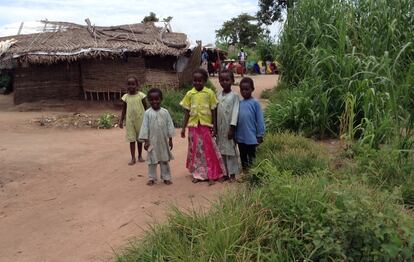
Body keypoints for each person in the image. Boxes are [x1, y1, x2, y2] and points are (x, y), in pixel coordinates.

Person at [180, 68, 225, 185]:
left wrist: (214, 126)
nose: (197, 83)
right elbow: (187, 111)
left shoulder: (209, 93)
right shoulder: (190, 94)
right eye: (195, 80)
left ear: (205, 81)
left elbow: (213, 110)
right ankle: (197, 174)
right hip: (193, 127)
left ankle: (211, 174)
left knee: (208, 150)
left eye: (200, 81)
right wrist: (183, 127)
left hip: (205, 127)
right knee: (195, 151)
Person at [139, 88, 175, 186]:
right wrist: (146, 141)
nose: (154, 101)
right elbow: (145, 127)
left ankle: (166, 177)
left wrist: (170, 140)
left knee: (164, 160)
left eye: (157, 99)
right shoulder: (147, 113)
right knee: (152, 161)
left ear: (161, 99)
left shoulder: (165, 112)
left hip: (163, 142)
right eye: (152, 100)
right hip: (152, 142)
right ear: (149, 101)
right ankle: (152, 178)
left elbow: (169, 126)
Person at [236, 77, 265, 171]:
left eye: (247, 89)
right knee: (242, 155)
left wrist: (260, 134)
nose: (244, 92)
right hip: (241, 136)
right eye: (242, 89)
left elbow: (260, 119)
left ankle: (253, 172)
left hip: (251, 136)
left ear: (252, 89)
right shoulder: (239, 103)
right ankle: (245, 171)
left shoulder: (255, 103)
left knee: (251, 155)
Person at [118, 76, 148, 165]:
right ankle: (133, 158)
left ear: (137, 85)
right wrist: (121, 120)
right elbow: (124, 109)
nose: (131, 86)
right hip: (130, 121)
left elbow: (146, 107)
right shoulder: (125, 97)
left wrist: (147, 118)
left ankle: (140, 156)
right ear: (126, 86)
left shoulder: (141, 95)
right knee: (131, 139)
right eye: (129, 84)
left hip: (140, 120)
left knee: (140, 139)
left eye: (133, 84)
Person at [217, 69, 240, 182]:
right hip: (220, 129)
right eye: (222, 80)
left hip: (229, 128)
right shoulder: (218, 95)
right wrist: (215, 128)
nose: (224, 82)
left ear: (232, 81)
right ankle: (225, 173)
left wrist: (232, 127)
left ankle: (232, 175)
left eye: (227, 80)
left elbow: (235, 112)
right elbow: (215, 112)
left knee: (231, 152)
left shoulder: (235, 96)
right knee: (221, 151)